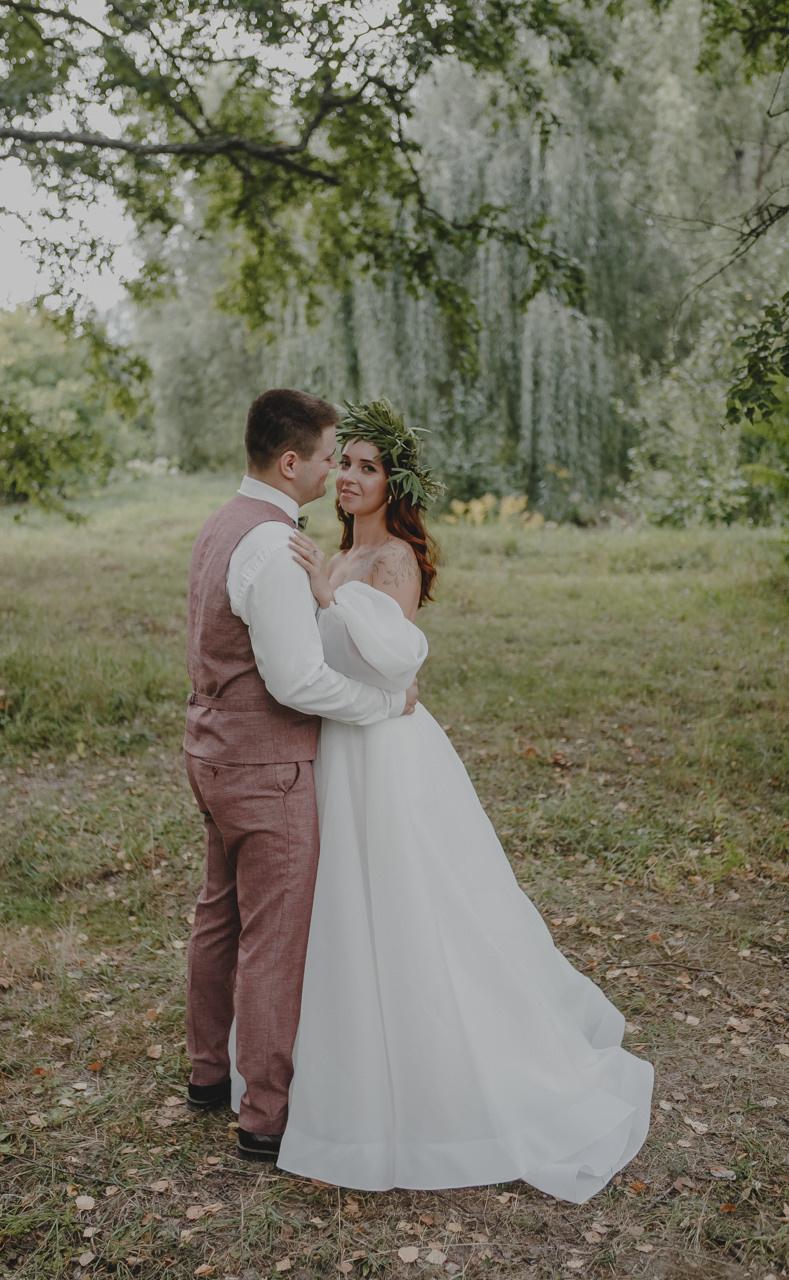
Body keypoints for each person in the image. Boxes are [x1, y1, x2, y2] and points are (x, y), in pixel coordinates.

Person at [266, 397, 654, 1203]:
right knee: (339, 908)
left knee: (412, 908)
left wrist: (331, 599)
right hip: (338, 747)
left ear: (392, 485)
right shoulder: (329, 556)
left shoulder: (393, 560)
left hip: (388, 752)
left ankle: (440, 1071)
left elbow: (398, 661)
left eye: (367, 468)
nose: (348, 476)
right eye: (345, 461)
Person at [183, 389, 417, 1164]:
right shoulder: (273, 545)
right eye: (326, 457)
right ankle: (264, 1115)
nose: (333, 471)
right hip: (266, 767)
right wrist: (380, 705)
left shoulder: (223, 524)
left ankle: (206, 1072)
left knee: (218, 917)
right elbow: (296, 683)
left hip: (212, 753)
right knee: (272, 941)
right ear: (291, 463)